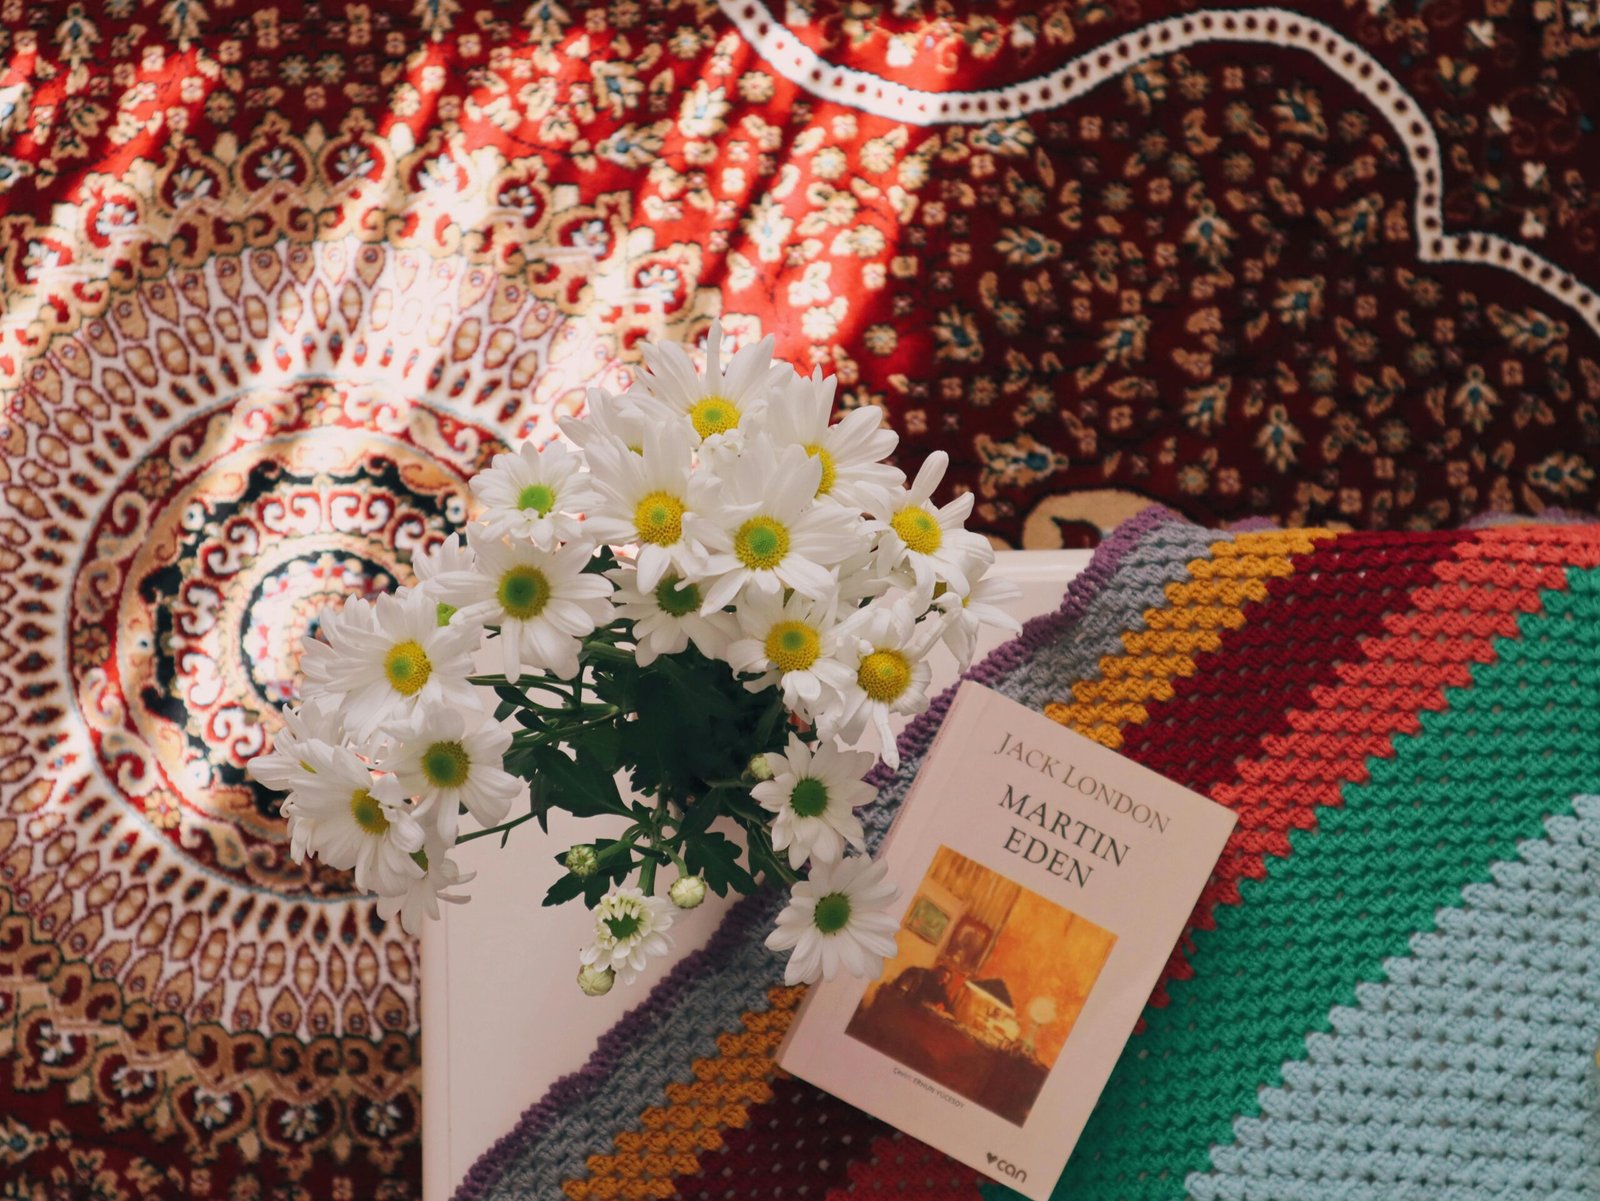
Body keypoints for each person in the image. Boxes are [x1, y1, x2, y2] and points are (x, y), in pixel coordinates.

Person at [891, 961, 956, 1011]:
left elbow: (947, 1003)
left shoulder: (941, 988)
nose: (943, 980)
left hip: (922, 1011)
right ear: (937, 972)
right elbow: (918, 996)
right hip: (908, 1004)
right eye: (943, 976)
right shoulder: (925, 976)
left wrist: (948, 1010)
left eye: (946, 979)